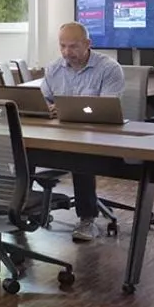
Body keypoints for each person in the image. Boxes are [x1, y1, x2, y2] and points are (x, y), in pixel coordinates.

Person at [40, 21, 126, 244]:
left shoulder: (109, 69)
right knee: (24, 150)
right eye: (62, 46)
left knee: (80, 157)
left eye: (73, 46)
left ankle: (87, 219)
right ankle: (24, 210)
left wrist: (70, 108)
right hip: (60, 134)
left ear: (88, 43)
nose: (67, 53)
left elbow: (106, 109)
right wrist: (46, 108)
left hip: (98, 138)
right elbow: (43, 102)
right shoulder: (53, 69)